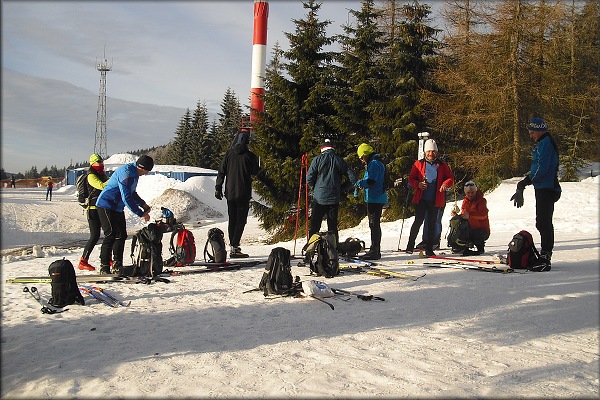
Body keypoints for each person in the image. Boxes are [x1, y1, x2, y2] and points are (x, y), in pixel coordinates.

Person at [510, 117, 561, 269]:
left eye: (532, 133)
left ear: (540, 130)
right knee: (542, 222)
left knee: (544, 222)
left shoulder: (545, 143)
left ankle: (546, 257)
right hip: (543, 187)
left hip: (547, 188)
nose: (531, 136)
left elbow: (541, 168)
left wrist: (525, 181)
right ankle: (545, 254)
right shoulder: (543, 142)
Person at [96, 155, 154, 274]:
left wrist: (143, 205)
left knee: (121, 235)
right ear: (141, 167)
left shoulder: (135, 173)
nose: (146, 174)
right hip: (106, 204)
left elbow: (132, 193)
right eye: (146, 171)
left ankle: (117, 264)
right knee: (110, 234)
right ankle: (104, 266)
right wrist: (140, 213)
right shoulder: (126, 172)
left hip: (117, 207)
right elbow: (126, 197)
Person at [215, 129, 260, 258]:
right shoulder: (250, 156)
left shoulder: (229, 154)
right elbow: (255, 172)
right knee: (241, 220)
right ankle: (235, 247)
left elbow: (221, 171)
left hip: (230, 192)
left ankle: (232, 246)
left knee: (232, 220)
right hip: (243, 193)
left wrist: (218, 187)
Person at [405, 139, 454, 256]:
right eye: (429, 151)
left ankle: (429, 248)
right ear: (425, 152)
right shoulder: (418, 164)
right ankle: (410, 245)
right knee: (418, 222)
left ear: (436, 152)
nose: (431, 154)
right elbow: (411, 179)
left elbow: (450, 178)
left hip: (435, 199)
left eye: (433, 151)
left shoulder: (442, 165)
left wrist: (445, 184)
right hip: (421, 198)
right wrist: (418, 184)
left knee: (432, 224)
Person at [306, 139, 357, 247]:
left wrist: (315, 188)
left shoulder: (317, 159)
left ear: (322, 149)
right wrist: (342, 188)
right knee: (332, 226)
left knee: (315, 225)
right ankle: (334, 249)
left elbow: (309, 177)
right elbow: (353, 178)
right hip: (334, 198)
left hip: (319, 198)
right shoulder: (339, 160)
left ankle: (310, 251)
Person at [355, 143, 388, 260]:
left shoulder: (374, 164)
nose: (361, 160)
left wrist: (360, 183)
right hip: (376, 197)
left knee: (374, 224)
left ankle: (375, 250)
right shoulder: (375, 162)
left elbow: (371, 181)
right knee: (373, 224)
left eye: (361, 157)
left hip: (375, 198)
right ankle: (374, 249)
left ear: (365, 155)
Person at [77, 154, 110, 271]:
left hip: (102, 207)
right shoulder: (91, 176)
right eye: (98, 162)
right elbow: (101, 186)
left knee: (108, 233)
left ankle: (106, 258)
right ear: (92, 163)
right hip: (92, 209)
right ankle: (83, 260)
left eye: (102, 161)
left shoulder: (102, 175)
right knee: (95, 235)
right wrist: (113, 181)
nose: (101, 163)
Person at [451, 181, 490, 255]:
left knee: (477, 235)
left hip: (481, 230)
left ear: (475, 191)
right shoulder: (465, 201)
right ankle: (462, 247)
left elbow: (483, 215)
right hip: (469, 229)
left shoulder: (482, 200)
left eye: (472, 192)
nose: (470, 194)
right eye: (468, 193)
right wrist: (457, 216)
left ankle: (480, 246)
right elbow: (464, 214)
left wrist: (470, 215)